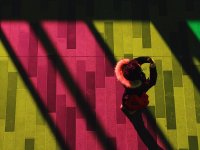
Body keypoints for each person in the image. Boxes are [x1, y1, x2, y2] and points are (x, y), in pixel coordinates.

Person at [115, 56, 163, 150]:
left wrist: (146, 59)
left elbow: (136, 62)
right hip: (135, 103)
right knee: (139, 126)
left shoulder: (126, 74)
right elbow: (152, 81)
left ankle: (124, 108)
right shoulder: (140, 87)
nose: (141, 71)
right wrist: (152, 67)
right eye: (140, 71)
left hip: (127, 100)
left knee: (127, 106)